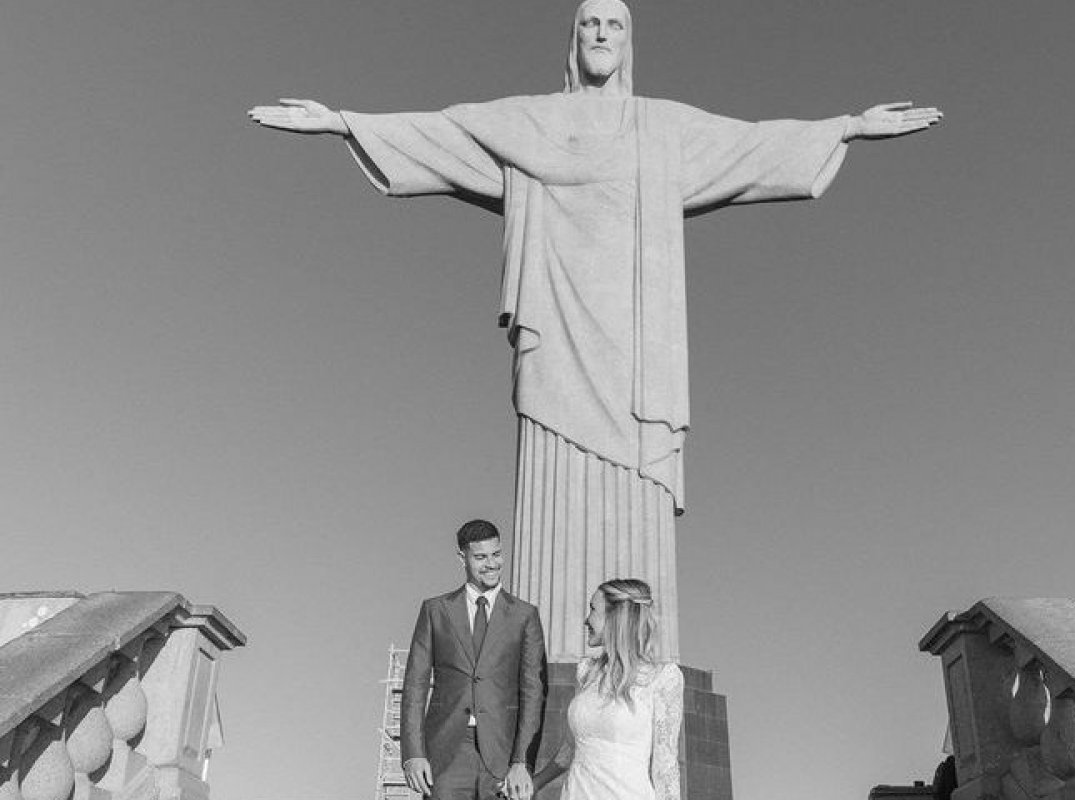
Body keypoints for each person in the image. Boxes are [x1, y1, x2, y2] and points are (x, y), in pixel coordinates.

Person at [248, 0, 942, 665]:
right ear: (573, 40)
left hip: (639, 341)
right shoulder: (529, 123)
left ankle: (639, 653)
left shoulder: (661, 129)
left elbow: (752, 144)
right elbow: (443, 133)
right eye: (590, 24)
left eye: (615, 24)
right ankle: (552, 652)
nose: (602, 34)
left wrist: (846, 126)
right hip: (554, 320)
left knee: (636, 471)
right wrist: (342, 122)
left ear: (629, 41)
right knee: (552, 461)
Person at [399, 520, 547, 800]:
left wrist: (522, 761)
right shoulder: (435, 610)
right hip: (445, 754)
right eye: (481, 557)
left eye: (496, 554)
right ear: (462, 558)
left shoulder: (525, 616)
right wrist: (413, 754)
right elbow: (415, 687)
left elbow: (533, 692)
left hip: (503, 753)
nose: (491, 564)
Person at [531, 578, 683, 800]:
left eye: (593, 609)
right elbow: (572, 747)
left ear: (615, 616)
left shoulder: (662, 678)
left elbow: (665, 768)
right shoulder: (587, 672)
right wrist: (537, 782)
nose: (586, 620)